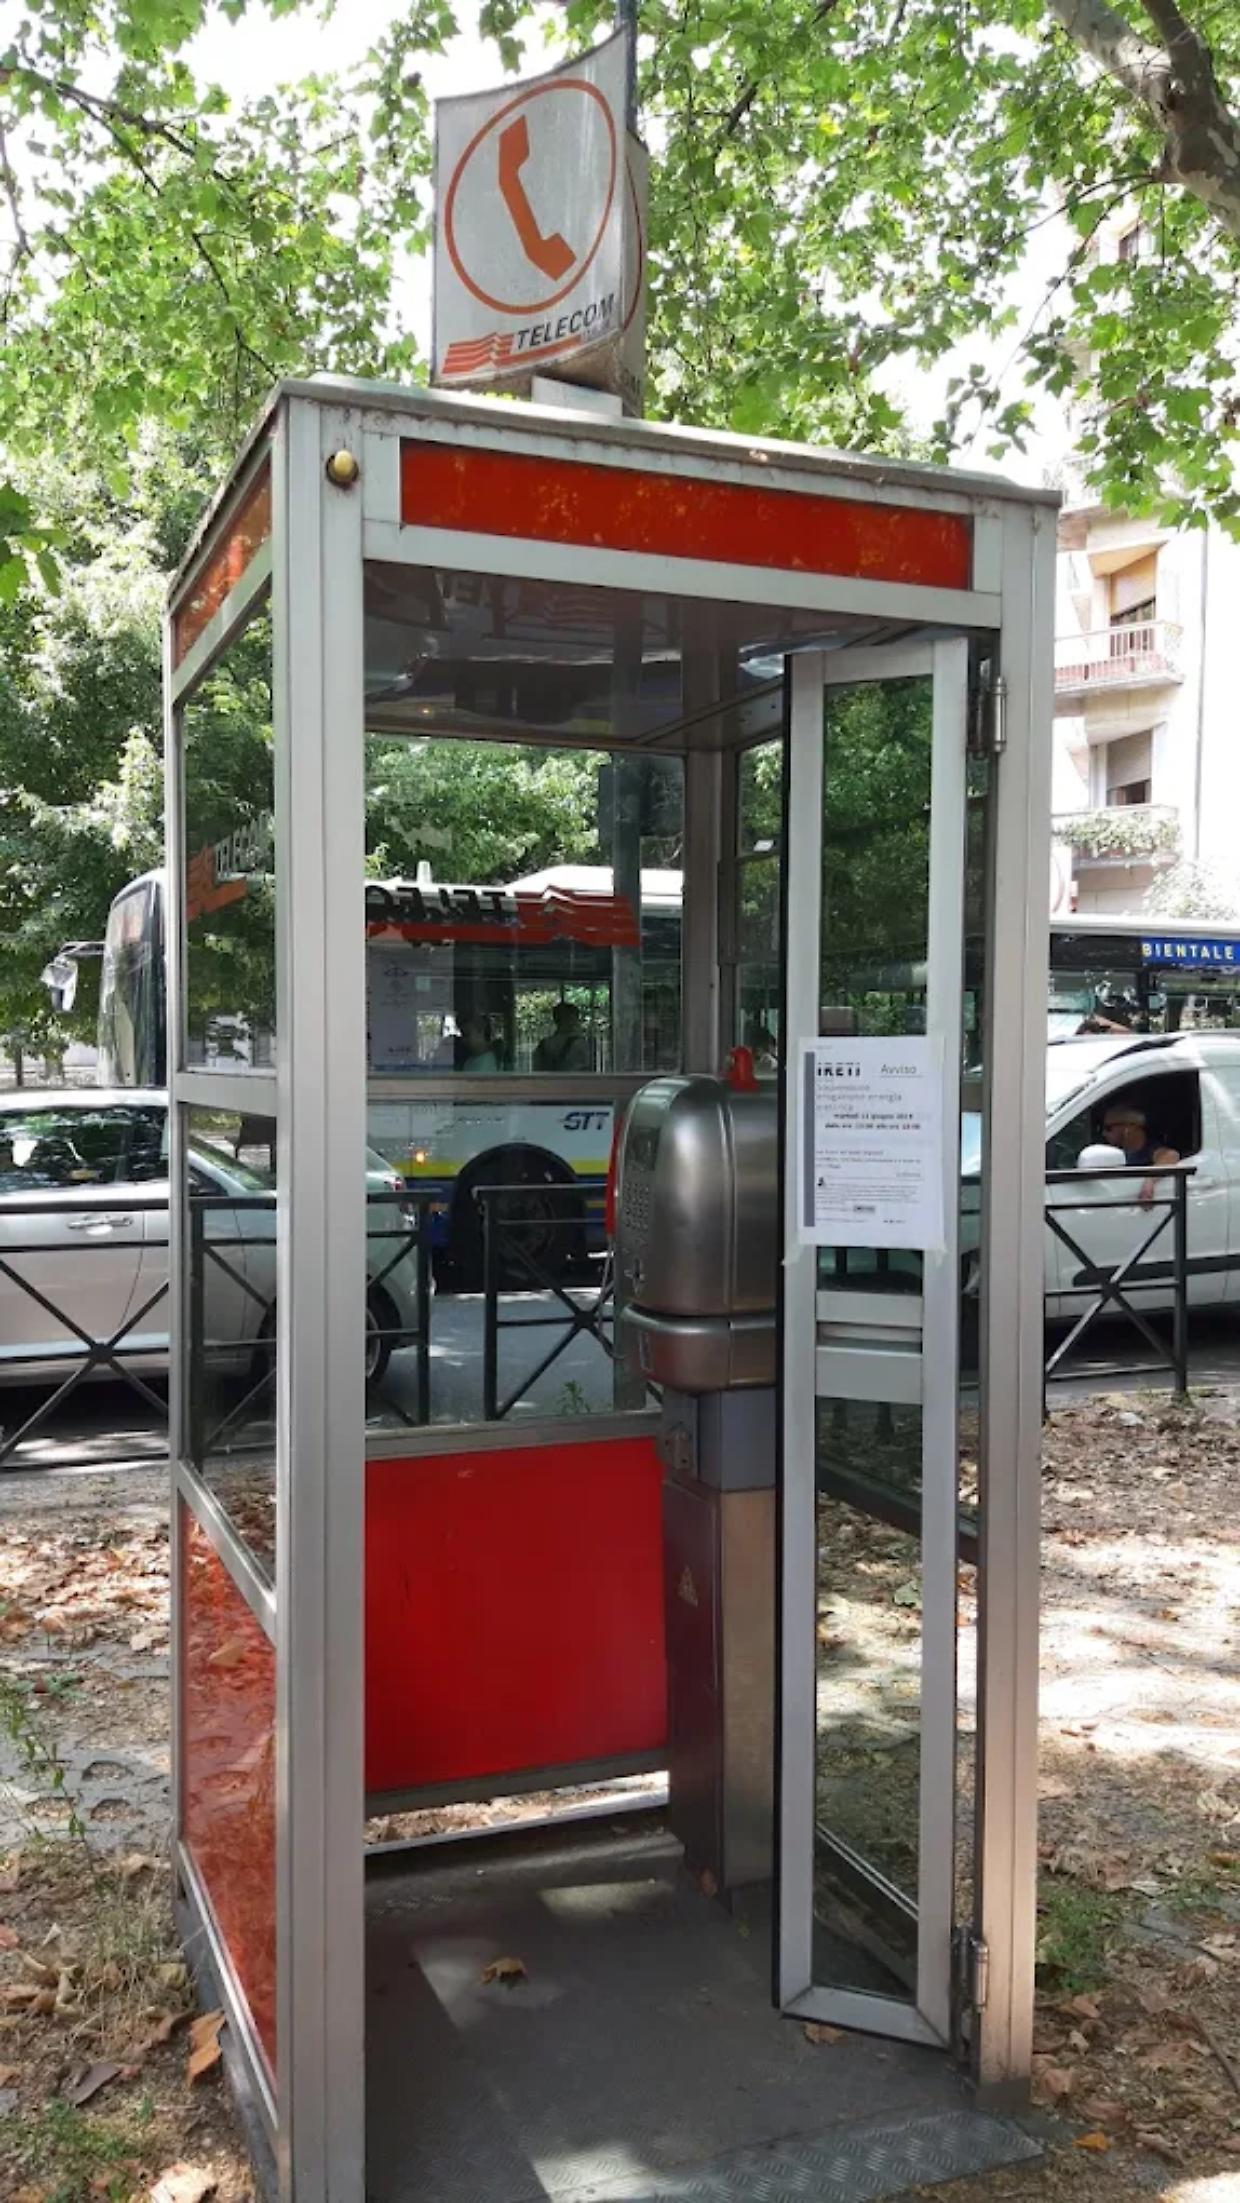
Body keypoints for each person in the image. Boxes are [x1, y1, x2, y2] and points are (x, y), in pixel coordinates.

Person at [1099, 1103, 1180, 1206]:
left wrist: (1150, 1180)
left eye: (1108, 1128)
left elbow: (1171, 1155)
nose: (1104, 1134)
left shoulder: (1150, 1149)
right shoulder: (1116, 1152)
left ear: (1129, 1127)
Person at [533, 1000, 591, 1073]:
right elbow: (585, 1072)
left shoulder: (542, 1046)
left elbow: (536, 1071)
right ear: (573, 1020)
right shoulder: (579, 1045)